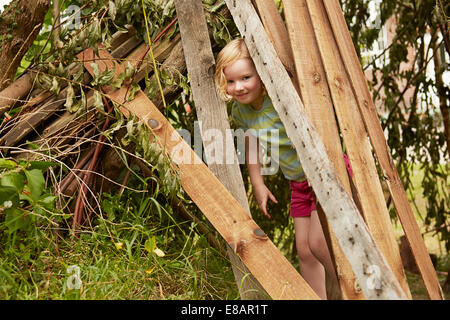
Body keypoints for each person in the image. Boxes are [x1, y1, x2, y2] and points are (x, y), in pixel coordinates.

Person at [215, 38, 345, 300]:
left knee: (319, 243)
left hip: (325, 175)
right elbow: (251, 147)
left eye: (245, 78)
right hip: (298, 183)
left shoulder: (279, 98)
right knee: (305, 251)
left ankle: (354, 289)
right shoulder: (241, 111)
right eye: (231, 81)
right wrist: (258, 183)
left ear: (261, 74)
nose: (238, 87)